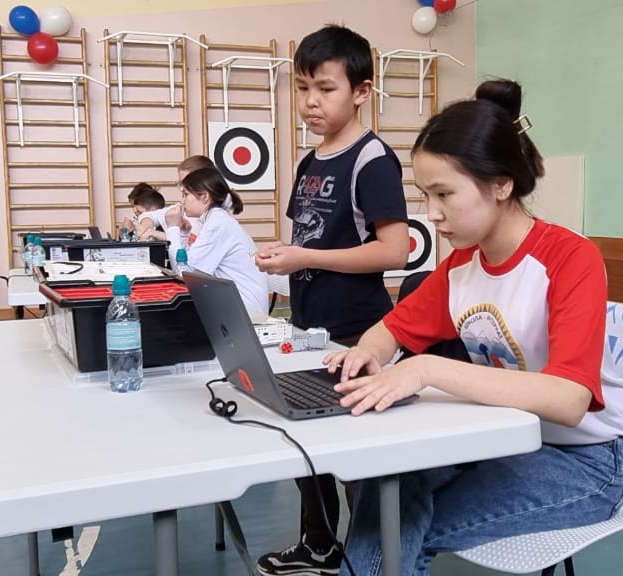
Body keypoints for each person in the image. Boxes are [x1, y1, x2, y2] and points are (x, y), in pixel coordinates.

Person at [324, 79, 623, 576]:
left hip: (586, 460)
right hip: (502, 439)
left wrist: (426, 369)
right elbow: (389, 330)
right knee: (388, 484)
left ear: (501, 185)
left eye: (444, 194)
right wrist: (369, 353)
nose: (431, 214)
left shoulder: (570, 258)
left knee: (398, 526)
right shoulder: (460, 268)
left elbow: (569, 400)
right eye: (425, 194)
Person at [253, 24, 409, 576]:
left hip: (359, 330)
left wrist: (305, 256)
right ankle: (318, 545)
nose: (310, 102)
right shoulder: (310, 162)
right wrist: (285, 254)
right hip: (309, 325)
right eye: (302, 88)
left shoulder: (373, 160)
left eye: (325, 88)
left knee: (357, 459)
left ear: (362, 91)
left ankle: (370, 560)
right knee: (307, 439)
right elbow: (312, 237)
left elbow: (395, 249)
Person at [167, 167, 268, 314]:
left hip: (247, 313)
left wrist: (172, 228)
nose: (182, 201)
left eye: (185, 195)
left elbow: (184, 272)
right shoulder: (216, 219)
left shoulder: (217, 223)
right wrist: (183, 234)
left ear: (204, 197)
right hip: (239, 307)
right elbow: (188, 265)